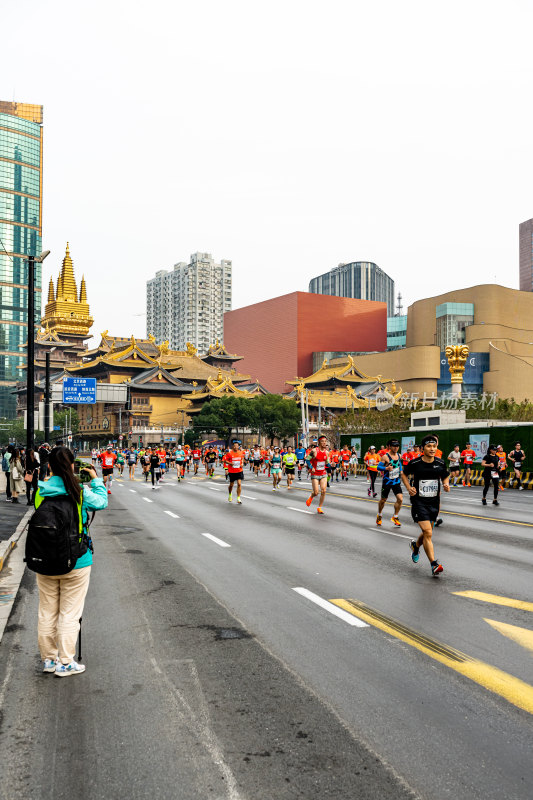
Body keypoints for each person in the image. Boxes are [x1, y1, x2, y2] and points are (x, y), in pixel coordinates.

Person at [33, 446, 107, 676]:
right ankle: (65, 663)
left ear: (49, 466)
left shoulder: (41, 491)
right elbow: (102, 502)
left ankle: (48, 660)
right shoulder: (79, 491)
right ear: (72, 465)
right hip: (77, 560)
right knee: (69, 613)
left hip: (44, 559)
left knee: (47, 611)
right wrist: (95, 480)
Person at [401, 435, 449, 576]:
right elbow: (404, 474)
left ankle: (416, 546)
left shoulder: (440, 463)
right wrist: (409, 487)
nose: (432, 449)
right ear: (422, 449)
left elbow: (445, 475)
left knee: (427, 532)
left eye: (434, 446)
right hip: (419, 501)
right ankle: (434, 564)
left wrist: (446, 483)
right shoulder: (415, 463)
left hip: (434, 502)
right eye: (429, 446)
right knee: (428, 532)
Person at [376, 439, 403, 527]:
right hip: (387, 481)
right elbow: (379, 467)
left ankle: (395, 517)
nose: (396, 448)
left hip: (396, 481)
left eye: (397, 446)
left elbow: (399, 464)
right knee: (383, 500)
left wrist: (401, 471)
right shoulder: (385, 457)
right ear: (390, 447)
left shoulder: (399, 455)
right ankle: (379, 515)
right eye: (394, 446)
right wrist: (386, 469)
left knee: (400, 499)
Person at [305, 435, 329, 514]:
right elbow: (308, 460)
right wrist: (311, 467)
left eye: (325, 441)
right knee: (316, 492)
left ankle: (319, 507)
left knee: (324, 490)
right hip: (315, 474)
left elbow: (327, 463)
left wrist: (331, 465)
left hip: (323, 473)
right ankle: (311, 497)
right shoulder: (314, 451)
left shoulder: (327, 452)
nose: (324, 443)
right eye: (322, 441)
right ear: (319, 442)